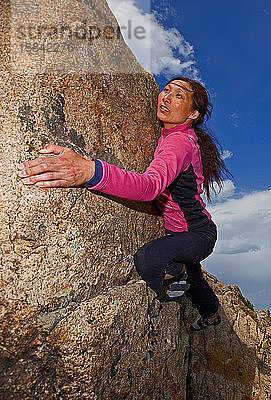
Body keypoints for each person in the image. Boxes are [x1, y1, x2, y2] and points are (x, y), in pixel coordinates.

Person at [17, 77, 229, 331]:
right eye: (166, 89)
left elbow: (149, 187)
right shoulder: (177, 135)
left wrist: (89, 171)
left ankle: (178, 276)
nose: (167, 96)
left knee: (149, 260)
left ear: (193, 113)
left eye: (179, 95)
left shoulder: (179, 143)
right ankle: (211, 316)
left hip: (197, 233)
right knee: (197, 279)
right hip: (186, 233)